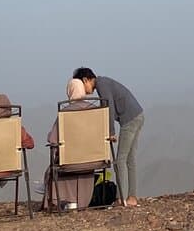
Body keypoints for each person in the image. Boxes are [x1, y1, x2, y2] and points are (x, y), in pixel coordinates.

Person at [73, 67, 144, 207]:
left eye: (82, 84)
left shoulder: (102, 85)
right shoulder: (104, 83)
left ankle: (120, 198)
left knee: (120, 160)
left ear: (86, 80)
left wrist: (111, 132)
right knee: (130, 159)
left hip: (129, 119)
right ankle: (132, 197)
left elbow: (108, 108)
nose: (84, 90)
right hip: (138, 115)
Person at [41, 78, 99, 211]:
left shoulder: (65, 113)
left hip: (70, 162)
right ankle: (82, 200)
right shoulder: (96, 110)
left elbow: (53, 140)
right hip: (93, 160)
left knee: (54, 167)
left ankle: (67, 200)